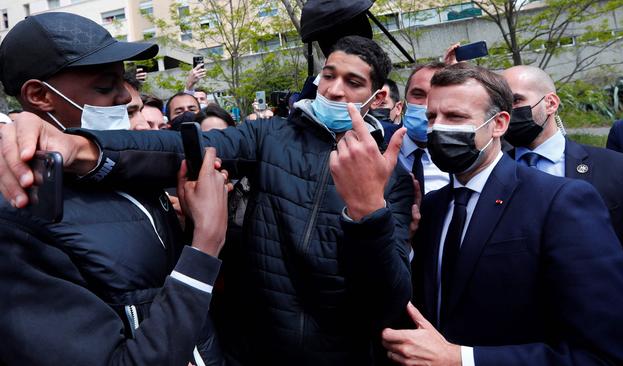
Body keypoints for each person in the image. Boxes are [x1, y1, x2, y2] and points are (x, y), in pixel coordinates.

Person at [0, 35, 413, 365]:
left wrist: (367, 211)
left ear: (377, 98)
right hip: (253, 349)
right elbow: (179, 148)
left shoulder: (391, 176)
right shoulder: (269, 137)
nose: (334, 90)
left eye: (353, 82)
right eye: (328, 75)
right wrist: (82, 149)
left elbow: (387, 299)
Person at [0, 12, 226, 365]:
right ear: (40, 95)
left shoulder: (119, 170)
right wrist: (205, 246)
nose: (125, 97)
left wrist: (191, 226)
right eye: (105, 87)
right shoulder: (20, 213)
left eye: (123, 81)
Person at [383, 63, 623, 365]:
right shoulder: (432, 207)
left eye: (455, 117)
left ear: (499, 124)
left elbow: (607, 355)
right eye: (431, 117)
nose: (437, 128)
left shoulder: (561, 202)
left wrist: (464, 359)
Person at [502, 64, 623, 359]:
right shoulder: (490, 176)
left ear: (551, 103)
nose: (508, 112)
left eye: (516, 101)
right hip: (515, 343)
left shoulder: (620, 171)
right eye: (501, 104)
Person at [398, 62, 450, 196]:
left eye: (438, 97)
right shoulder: (379, 141)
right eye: (418, 94)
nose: (426, 105)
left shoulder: (458, 156)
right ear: (404, 103)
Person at [369, 79, 403, 143]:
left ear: (398, 108)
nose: (373, 108)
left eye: (381, 104)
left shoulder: (409, 138)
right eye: (369, 104)